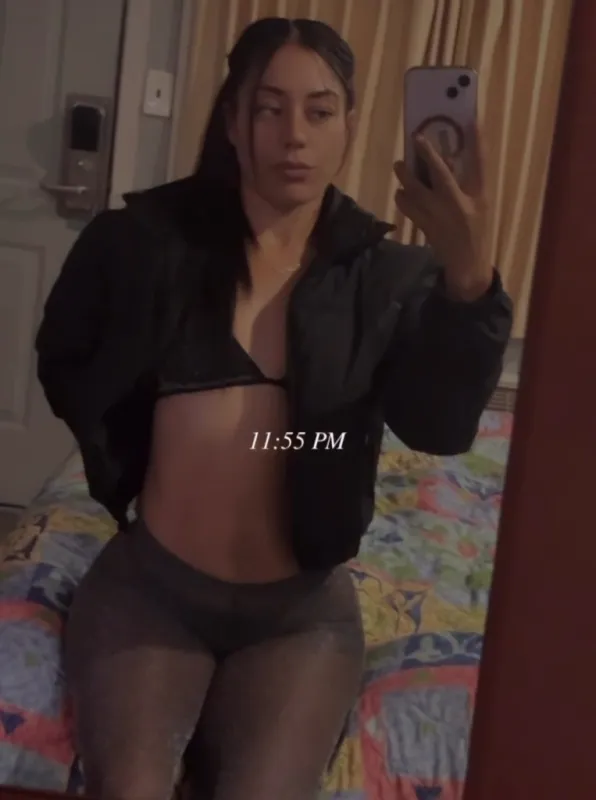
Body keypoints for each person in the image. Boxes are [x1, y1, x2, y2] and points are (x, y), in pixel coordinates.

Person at [35, 16, 512, 800]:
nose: (295, 134)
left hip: (300, 617)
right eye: (269, 108)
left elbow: (438, 426)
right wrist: (131, 450)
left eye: (320, 111)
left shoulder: (386, 276)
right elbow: (66, 355)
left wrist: (468, 282)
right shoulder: (144, 243)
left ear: (350, 125)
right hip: (150, 592)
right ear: (233, 121)